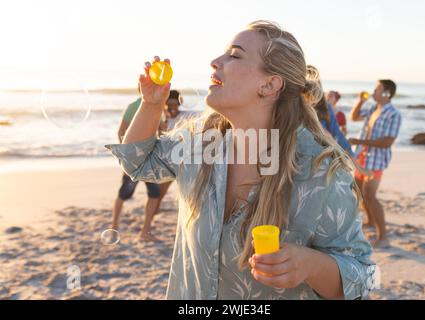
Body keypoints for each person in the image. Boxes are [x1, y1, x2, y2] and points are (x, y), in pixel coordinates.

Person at [106, 20, 375, 300]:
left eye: (234, 55)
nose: (215, 62)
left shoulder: (320, 171)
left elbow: (364, 277)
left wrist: (311, 265)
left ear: (270, 84)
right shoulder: (199, 143)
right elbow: (137, 163)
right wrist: (151, 105)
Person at [111, 92, 172, 242]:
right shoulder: (133, 107)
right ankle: (114, 228)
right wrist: (128, 154)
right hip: (134, 161)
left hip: (151, 160)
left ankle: (145, 231)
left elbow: (161, 132)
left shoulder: (160, 107)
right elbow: (121, 131)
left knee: (154, 194)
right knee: (124, 193)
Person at [349, 80, 402, 249]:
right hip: (362, 157)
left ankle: (383, 236)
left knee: (370, 196)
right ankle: (370, 221)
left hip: (376, 161)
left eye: (377, 88)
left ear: (386, 92)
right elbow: (354, 117)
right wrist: (360, 101)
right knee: (359, 193)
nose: (374, 90)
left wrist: (359, 140)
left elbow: (387, 142)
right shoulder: (373, 108)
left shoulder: (393, 114)